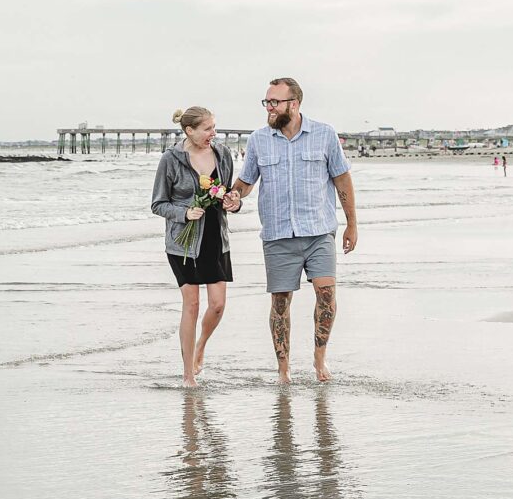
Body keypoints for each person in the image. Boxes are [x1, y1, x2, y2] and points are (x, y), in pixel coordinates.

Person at [223, 77, 358, 384]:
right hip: (278, 234)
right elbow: (247, 181)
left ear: (293, 104)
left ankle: (319, 359)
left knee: (327, 295)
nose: (269, 107)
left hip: (318, 231)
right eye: (267, 102)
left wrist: (352, 223)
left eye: (274, 102)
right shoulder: (259, 139)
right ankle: (283, 368)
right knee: (280, 301)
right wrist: (234, 195)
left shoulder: (324, 135)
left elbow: (342, 180)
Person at [152, 106, 239, 387]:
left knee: (217, 305)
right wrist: (184, 213)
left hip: (216, 237)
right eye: (208, 129)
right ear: (189, 130)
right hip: (184, 244)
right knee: (191, 305)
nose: (213, 134)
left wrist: (233, 203)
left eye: (214, 127)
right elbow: (158, 203)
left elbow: (228, 194)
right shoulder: (171, 159)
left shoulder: (223, 155)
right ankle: (188, 374)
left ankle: (201, 345)